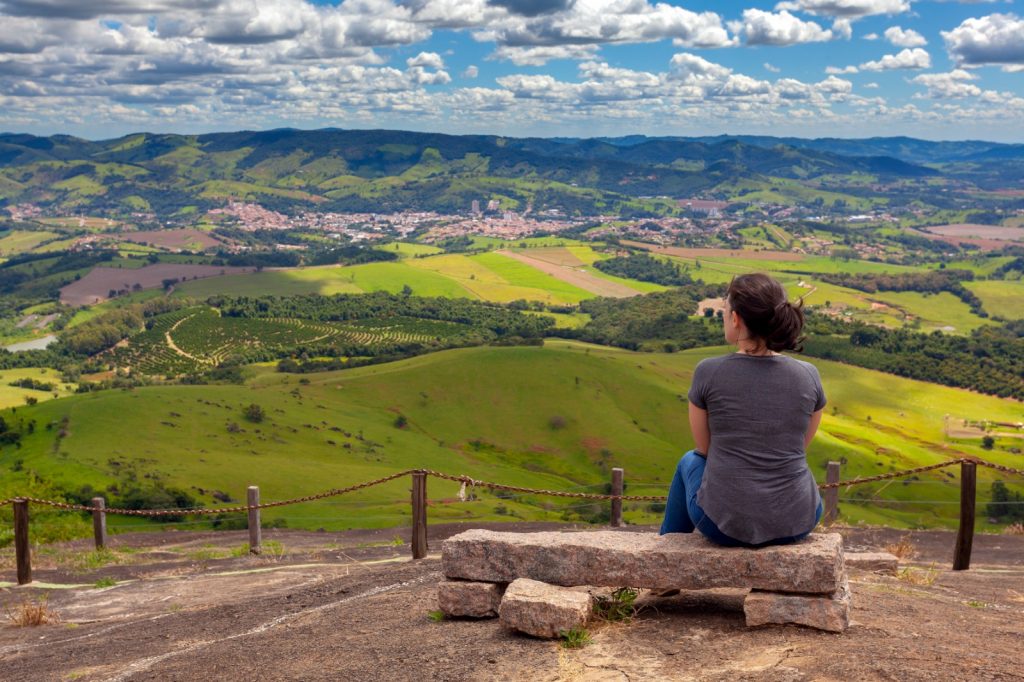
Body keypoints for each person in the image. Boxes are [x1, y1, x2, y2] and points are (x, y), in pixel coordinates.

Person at [660, 273, 825, 547]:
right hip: (799, 519)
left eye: (726, 312)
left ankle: (664, 564)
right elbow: (800, 444)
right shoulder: (808, 374)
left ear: (735, 319)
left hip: (721, 525)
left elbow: (705, 450)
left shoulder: (708, 371)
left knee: (690, 460)